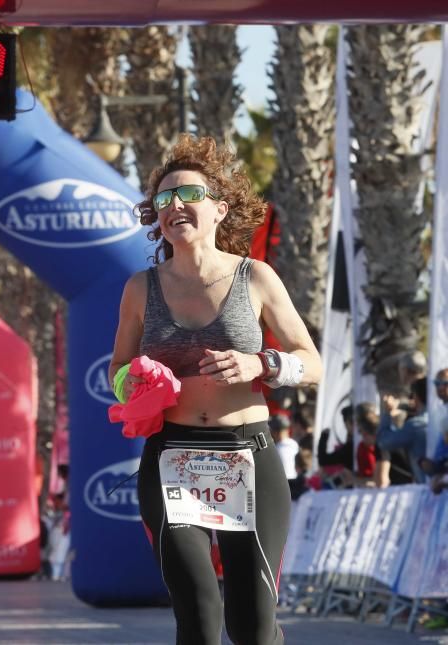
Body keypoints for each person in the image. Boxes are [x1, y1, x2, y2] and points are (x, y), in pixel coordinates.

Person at [107, 135, 322, 645]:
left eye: (188, 196)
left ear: (221, 209)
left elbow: (313, 365)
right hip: (172, 459)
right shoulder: (142, 288)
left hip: (248, 452)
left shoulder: (257, 278)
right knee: (199, 616)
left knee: (251, 623)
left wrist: (261, 362)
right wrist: (132, 380)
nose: (174, 206)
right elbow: (115, 370)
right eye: (162, 200)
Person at [379, 377, 429, 483]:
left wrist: (387, 413)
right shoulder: (439, 418)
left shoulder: (416, 425)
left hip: (431, 490)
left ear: (416, 398)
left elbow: (384, 441)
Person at [269, 415, 300, 498]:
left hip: (282, 488)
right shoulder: (294, 444)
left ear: (275, 432)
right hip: (297, 486)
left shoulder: (276, 449)